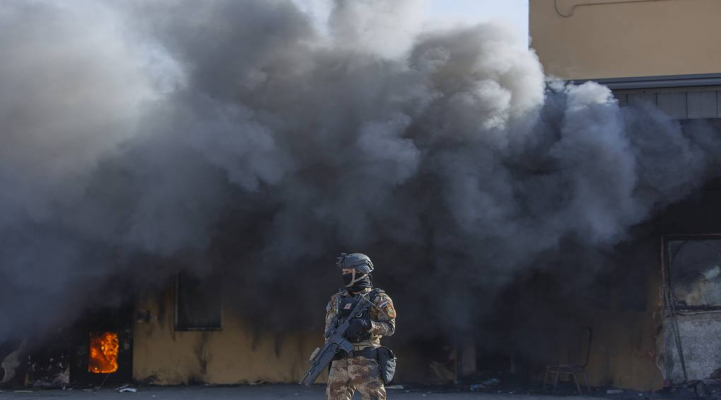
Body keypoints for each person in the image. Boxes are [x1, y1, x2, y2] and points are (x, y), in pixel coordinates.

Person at [325, 253, 397, 400]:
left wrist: (368, 324)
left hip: (365, 359)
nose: (344, 275)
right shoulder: (337, 299)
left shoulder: (378, 298)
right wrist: (329, 340)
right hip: (339, 359)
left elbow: (390, 327)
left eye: (347, 272)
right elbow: (328, 328)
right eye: (343, 272)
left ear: (361, 271)